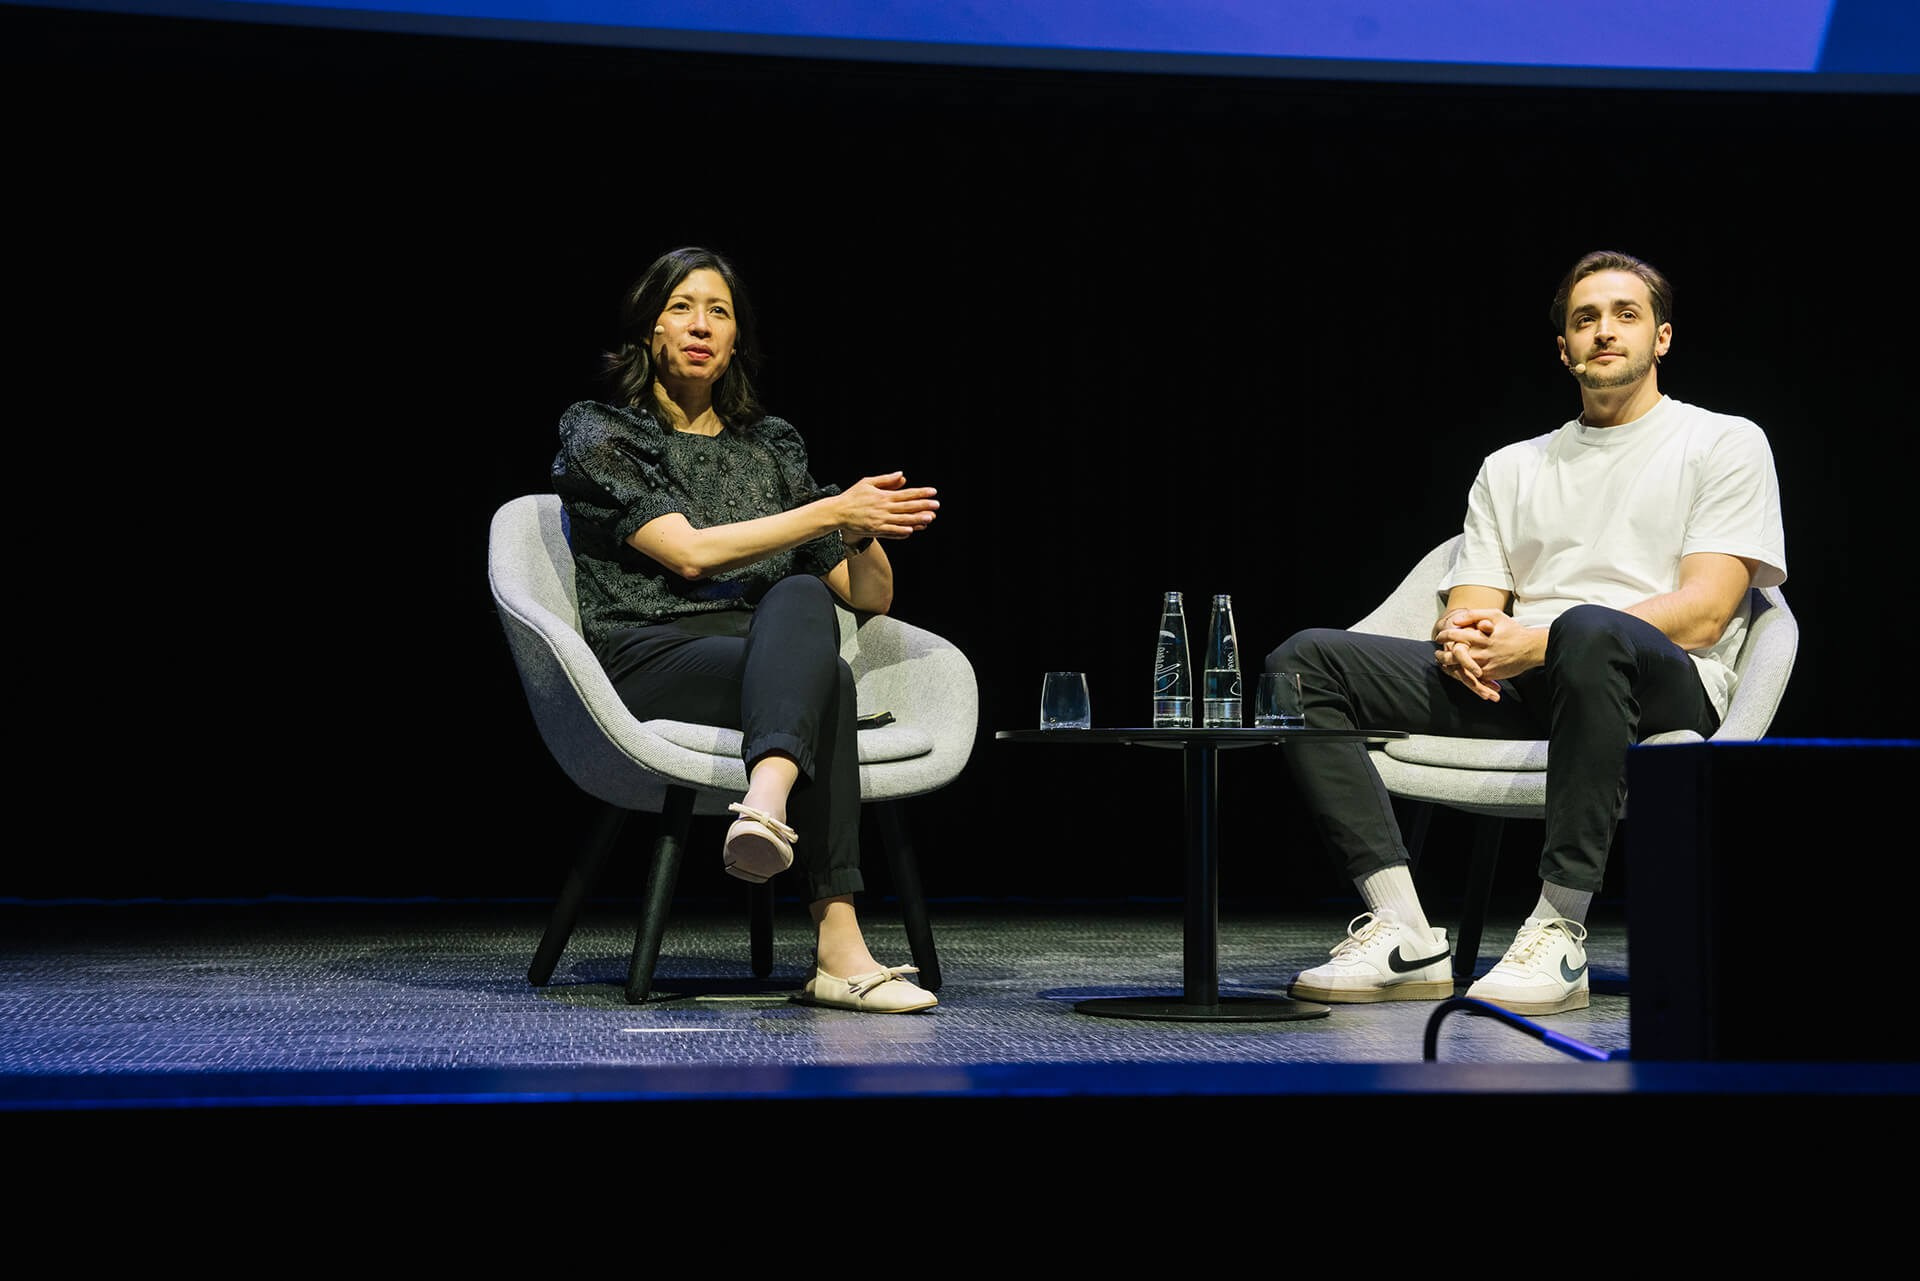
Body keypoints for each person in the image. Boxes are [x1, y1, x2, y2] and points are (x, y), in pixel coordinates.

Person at [1267, 249, 1787, 1016]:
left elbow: (1708, 610)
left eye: (1625, 314)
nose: (1604, 331)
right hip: (1532, 682)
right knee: (1304, 662)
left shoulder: (1723, 441)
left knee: (1588, 631)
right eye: (1586, 319)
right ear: (1564, 348)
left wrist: (1536, 641)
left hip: (1662, 682)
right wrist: (1461, 640)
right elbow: (1473, 605)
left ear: (1662, 338)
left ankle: (1559, 928)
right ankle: (1404, 930)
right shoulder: (1511, 466)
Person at [550, 246, 943, 1013]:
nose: (701, 325)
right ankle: (838, 946)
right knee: (822, 676)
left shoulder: (772, 445)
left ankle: (766, 805)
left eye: (719, 312)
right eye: (683, 307)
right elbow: (689, 554)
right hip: (646, 652)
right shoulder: (600, 430)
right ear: (650, 330)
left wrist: (861, 532)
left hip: (762, 655)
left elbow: (869, 599)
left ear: (736, 342)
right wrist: (830, 509)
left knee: (804, 603)